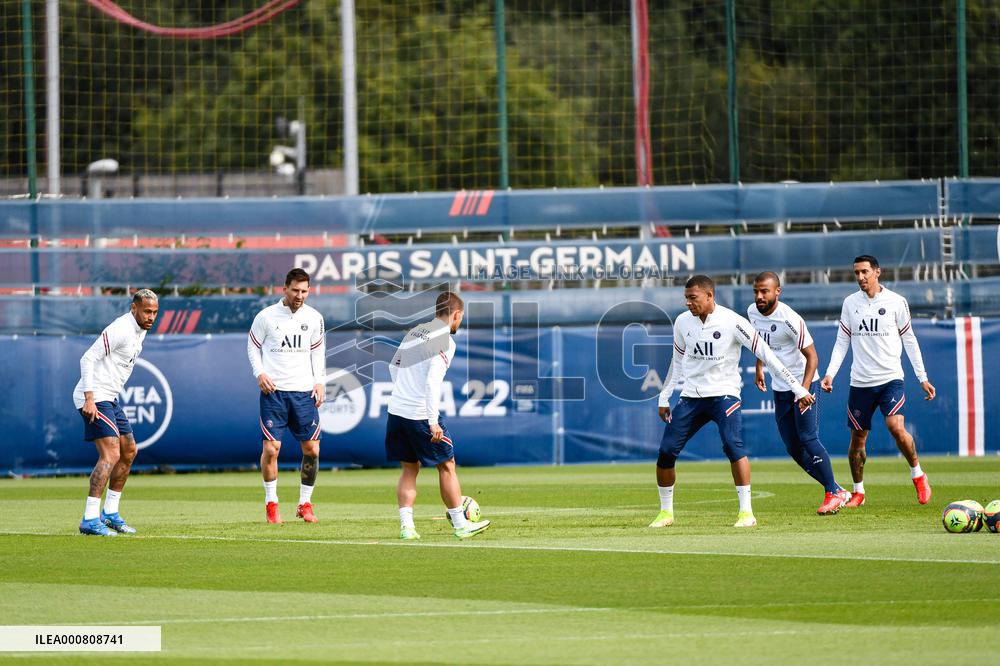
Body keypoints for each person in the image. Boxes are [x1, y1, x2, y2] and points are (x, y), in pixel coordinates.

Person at [651, 275, 815, 529]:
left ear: (709, 296)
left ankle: (746, 513)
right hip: (691, 397)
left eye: (693, 298)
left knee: (732, 445)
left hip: (724, 394)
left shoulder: (733, 322)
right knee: (666, 451)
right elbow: (677, 362)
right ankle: (665, 513)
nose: (688, 303)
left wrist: (798, 388)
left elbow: (767, 356)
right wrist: (664, 397)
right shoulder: (682, 322)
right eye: (686, 298)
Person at [820, 255, 935, 507]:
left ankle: (918, 474)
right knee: (857, 441)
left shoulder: (896, 302)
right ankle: (858, 492)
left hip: (890, 378)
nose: (860, 277)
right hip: (860, 382)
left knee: (895, 427)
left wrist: (922, 377)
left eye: (865, 272)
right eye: (857, 273)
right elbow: (842, 341)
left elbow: (910, 340)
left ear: (877, 272)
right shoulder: (850, 303)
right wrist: (830, 373)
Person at [386, 291, 490, 540]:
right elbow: (432, 383)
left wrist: (403, 393)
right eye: (461, 317)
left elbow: (393, 366)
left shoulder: (415, 331)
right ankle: (461, 525)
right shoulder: (445, 341)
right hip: (420, 414)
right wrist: (432, 422)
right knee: (447, 465)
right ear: (457, 314)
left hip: (397, 410)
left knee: (409, 469)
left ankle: (407, 528)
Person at [747, 272, 851, 515]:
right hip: (780, 387)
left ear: (777, 292)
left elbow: (812, 357)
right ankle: (837, 489)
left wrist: (802, 390)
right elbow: (760, 342)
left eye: (764, 291)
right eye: (756, 291)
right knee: (793, 447)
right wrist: (759, 367)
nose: (759, 296)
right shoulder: (752, 312)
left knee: (808, 438)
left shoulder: (790, 319)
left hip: (805, 385)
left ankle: (832, 492)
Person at [73, 289, 159, 536]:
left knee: (129, 450)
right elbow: (87, 358)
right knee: (110, 454)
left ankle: (110, 513)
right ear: (134, 308)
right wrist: (89, 398)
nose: (151, 317)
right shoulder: (121, 329)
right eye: (147, 311)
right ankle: (90, 518)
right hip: (94, 396)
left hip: (109, 397)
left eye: (155, 312)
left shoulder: (141, 330)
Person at [248, 268, 326, 524]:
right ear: (284, 289)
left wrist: (320, 382)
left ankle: (305, 503)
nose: (299, 296)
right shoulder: (266, 316)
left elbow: (318, 352)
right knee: (272, 449)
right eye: (295, 290)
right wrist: (260, 373)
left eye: (304, 291)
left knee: (312, 449)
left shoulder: (314, 318)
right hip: (274, 393)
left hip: (304, 393)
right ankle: (271, 503)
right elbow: (253, 346)